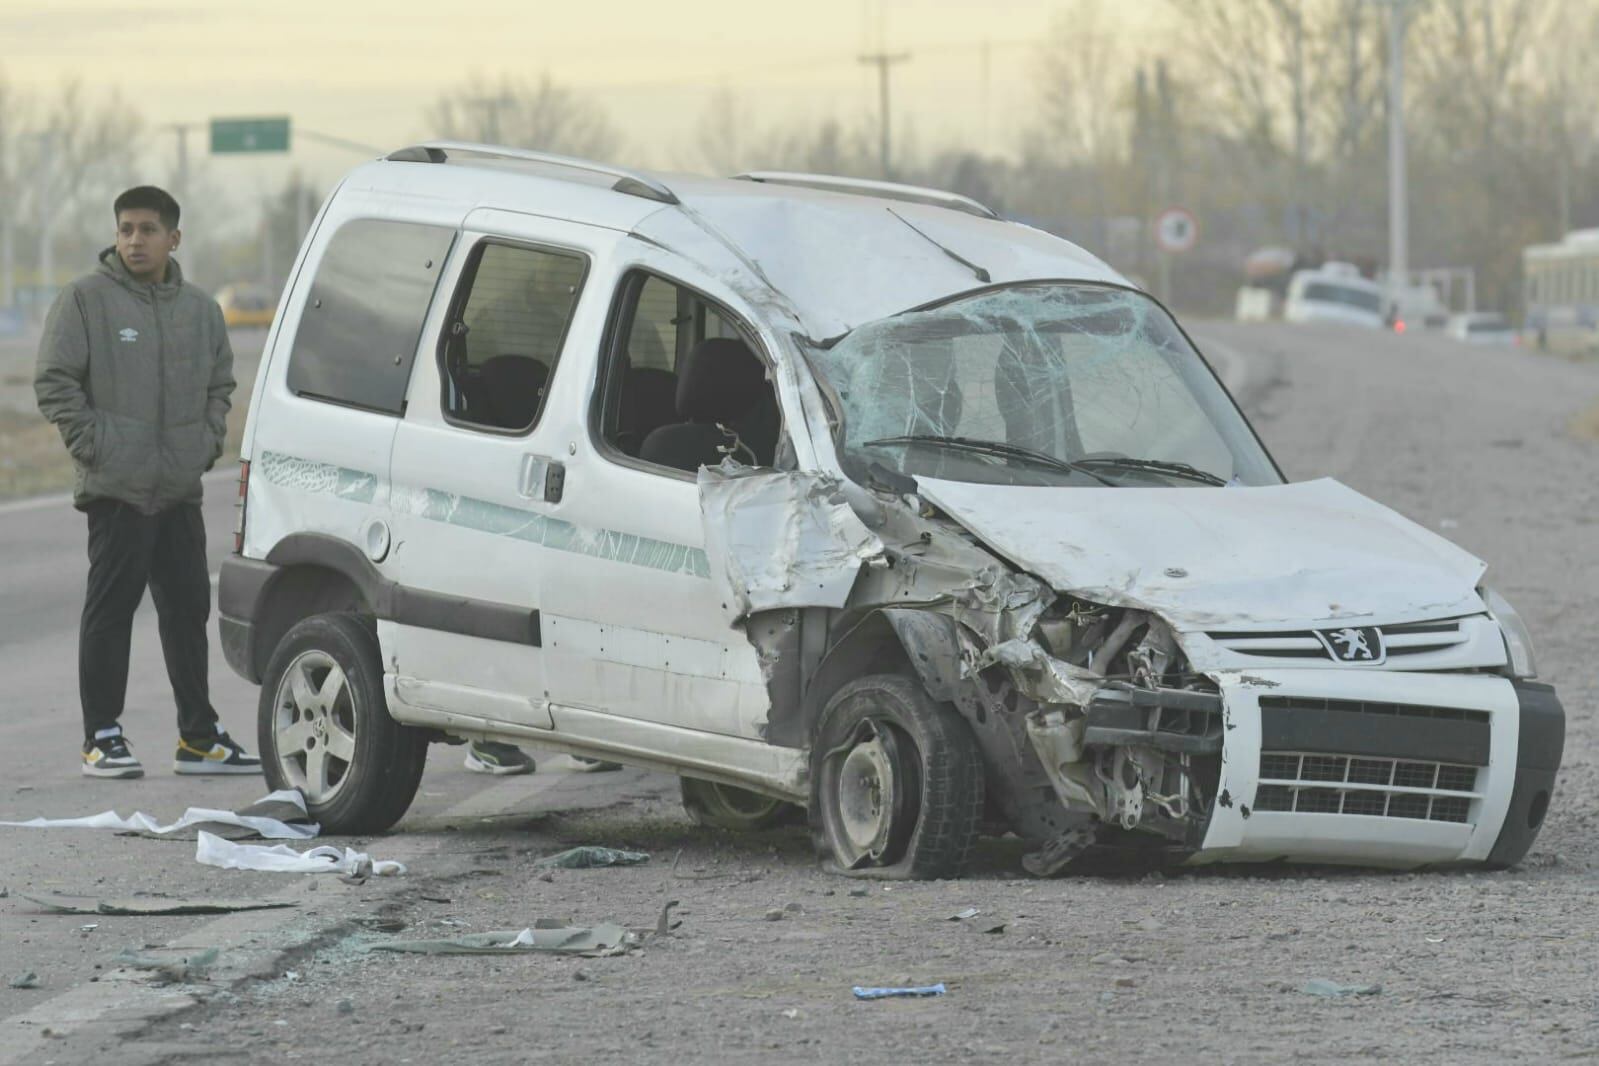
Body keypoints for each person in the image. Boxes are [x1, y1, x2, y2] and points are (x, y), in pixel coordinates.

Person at [35, 185, 260, 779]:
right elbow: (54, 382)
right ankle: (102, 736)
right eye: (126, 229)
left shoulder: (201, 311)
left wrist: (202, 446)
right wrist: (99, 448)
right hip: (118, 492)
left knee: (187, 611)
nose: (135, 240)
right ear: (116, 235)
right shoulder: (85, 300)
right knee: (110, 613)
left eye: (148, 230)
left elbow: (220, 387)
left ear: (174, 238)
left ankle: (198, 738)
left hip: (179, 491)